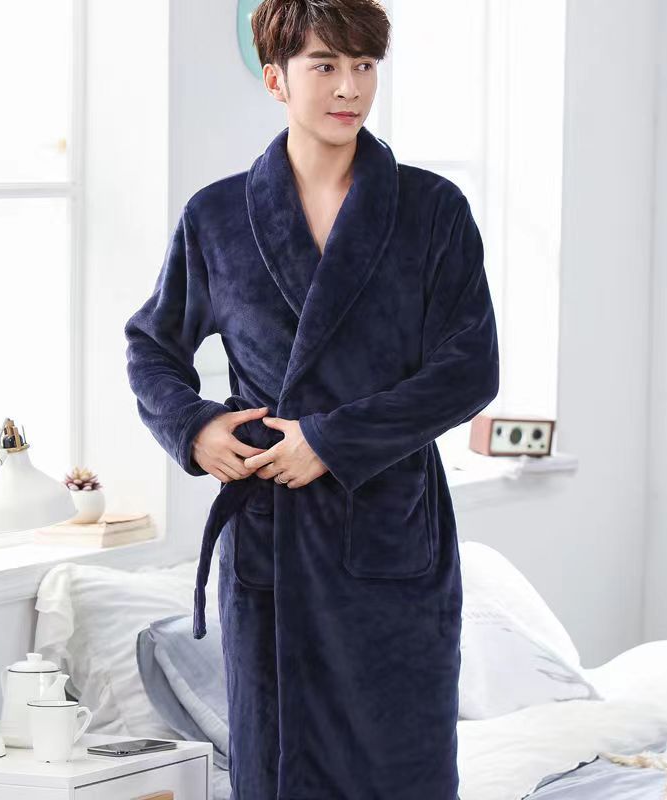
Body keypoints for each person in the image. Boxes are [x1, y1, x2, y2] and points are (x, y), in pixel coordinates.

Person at [124, 1, 499, 797]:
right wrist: (195, 428)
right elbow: (153, 347)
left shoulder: (432, 211)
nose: (349, 87)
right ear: (276, 80)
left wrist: (331, 440)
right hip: (272, 540)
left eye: (364, 66)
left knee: (404, 771)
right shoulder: (218, 217)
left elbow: (470, 369)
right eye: (325, 65)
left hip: (391, 536)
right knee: (277, 772)